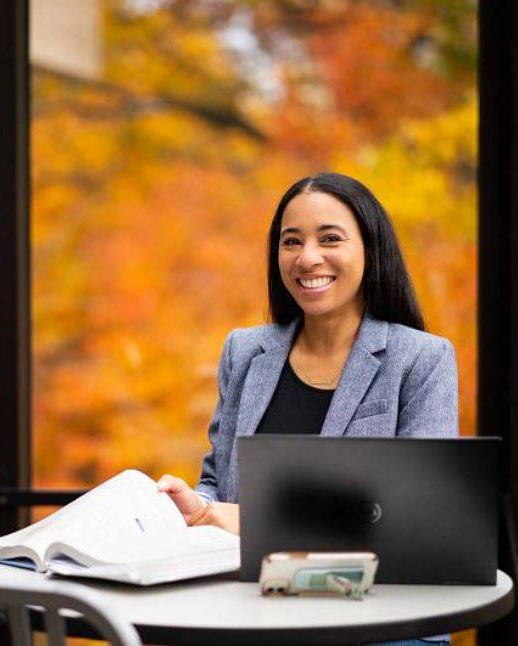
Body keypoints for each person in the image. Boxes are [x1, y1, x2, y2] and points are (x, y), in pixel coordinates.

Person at [156, 172, 457, 645]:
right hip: (256, 610)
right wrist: (199, 507)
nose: (307, 258)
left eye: (330, 238)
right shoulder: (244, 351)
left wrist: (254, 522)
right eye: (290, 241)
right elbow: (218, 483)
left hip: (375, 619)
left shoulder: (422, 358)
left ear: (370, 250)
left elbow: (416, 523)